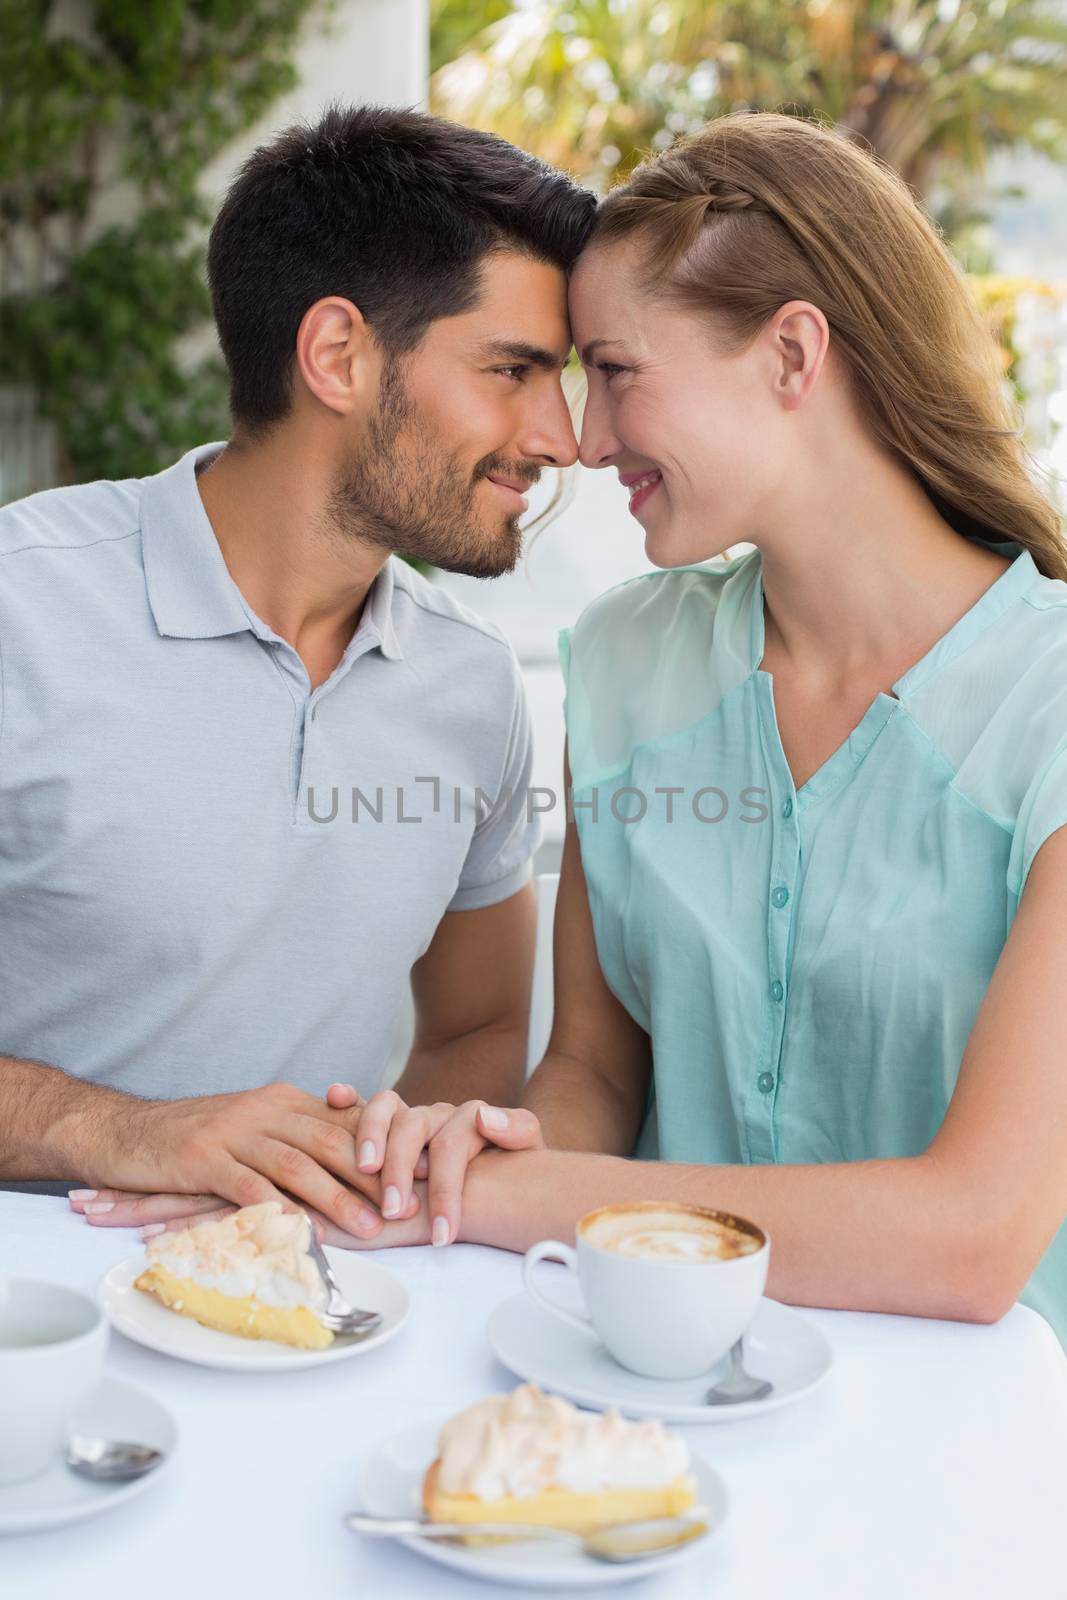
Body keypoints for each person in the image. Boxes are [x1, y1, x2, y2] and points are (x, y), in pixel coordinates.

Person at [229, 110, 1067, 1341]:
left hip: (962, 1439)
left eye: (614, 372)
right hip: (642, 1384)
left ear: (791, 355)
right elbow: (596, 1075)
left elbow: (970, 1237)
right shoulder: (626, 658)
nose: (585, 436)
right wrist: (481, 1144)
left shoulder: (1042, 701)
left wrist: (525, 1191)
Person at [0, 103, 595, 1247]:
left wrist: (383, 1207)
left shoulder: (471, 689)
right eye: (513, 368)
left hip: (321, 1331)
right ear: (337, 354)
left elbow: (473, 1031)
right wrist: (111, 1126)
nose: (559, 435)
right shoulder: (24, 605)